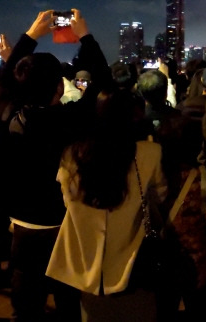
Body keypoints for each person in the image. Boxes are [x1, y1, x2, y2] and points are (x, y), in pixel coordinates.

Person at [2, 9, 109, 321]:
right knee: (67, 293)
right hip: (63, 222)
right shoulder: (72, 120)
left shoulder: (9, 115)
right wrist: (85, 36)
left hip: (22, 223)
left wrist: (30, 37)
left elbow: (8, 78)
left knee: (25, 293)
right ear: (60, 88)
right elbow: (102, 81)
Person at [46, 88, 168, 322]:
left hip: (83, 255)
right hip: (130, 258)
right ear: (134, 115)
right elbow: (160, 195)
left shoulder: (73, 153)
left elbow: (66, 199)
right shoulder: (150, 152)